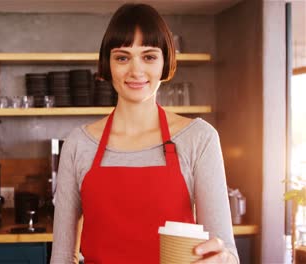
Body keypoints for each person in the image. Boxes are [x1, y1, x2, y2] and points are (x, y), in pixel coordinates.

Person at [51, 3, 238, 264]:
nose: (136, 71)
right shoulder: (78, 143)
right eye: (122, 57)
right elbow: (61, 257)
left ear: (164, 63)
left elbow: (227, 254)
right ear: (108, 64)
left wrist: (221, 259)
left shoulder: (199, 138)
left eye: (149, 56)